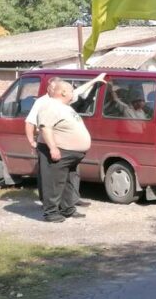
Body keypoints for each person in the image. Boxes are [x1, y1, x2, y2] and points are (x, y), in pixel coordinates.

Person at [26, 73, 104, 204]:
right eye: (53, 87)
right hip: (54, 147)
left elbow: (78, 91)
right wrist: (31, 141)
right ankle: (50, 207)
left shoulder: (63, 102)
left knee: (70, 177)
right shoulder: (44, 103)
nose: (53, 90)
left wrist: (95, 80)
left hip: (68, 150)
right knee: (52, 179)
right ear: (52, 89)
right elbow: (31, 122)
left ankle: (69, 204)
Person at [36, 81, 92, 223]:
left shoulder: (64, 107)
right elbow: (45, 127)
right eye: (71, 91)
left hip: (71, 154)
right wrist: (53, 148)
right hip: (59, 151)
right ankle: (51, 213)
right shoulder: (50, 106)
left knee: (68, 182)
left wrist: (95, 80)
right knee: (54, 182)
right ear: (63, 93)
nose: (73, 94)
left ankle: (67, 209)